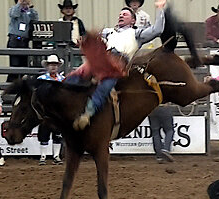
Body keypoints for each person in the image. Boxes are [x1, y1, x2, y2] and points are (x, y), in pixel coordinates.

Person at [69, 0, 167, 130]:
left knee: (104, 87)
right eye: (120, 14)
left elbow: (157, 30)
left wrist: (160, 9)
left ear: (133, 21)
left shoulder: (137, 34)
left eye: (125, 15)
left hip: (117, 62)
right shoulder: (109, 32)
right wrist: (84, 40)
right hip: (101, 58)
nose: (121, 16)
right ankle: (64, 102)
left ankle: (88, 113)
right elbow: (89, 37)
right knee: (76, 75)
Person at [37, 55, 65, 165]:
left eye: (55, 65)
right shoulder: (41, 80)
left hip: (58, 113)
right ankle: (43, 156)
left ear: (58, 66)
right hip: (46, 113)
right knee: (44, 134)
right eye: (51, 65)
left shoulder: (62, 80)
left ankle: (56, 156)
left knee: (57, 134)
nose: (53, 67)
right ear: (47, 66)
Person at [7, 0, 38, 82]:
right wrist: (19, 4)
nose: (25, 2)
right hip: (14, 40)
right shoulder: (13, 9)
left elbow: (35, 19)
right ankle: (11, 87)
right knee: (15, 66)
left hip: (24, 41)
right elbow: (14, 14)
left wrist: (30, 8)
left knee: (24, 66)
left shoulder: (29, 12)